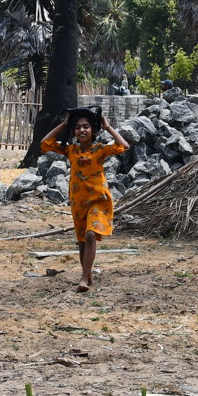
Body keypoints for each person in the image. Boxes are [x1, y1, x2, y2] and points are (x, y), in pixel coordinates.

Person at [40, 107, 129, 292]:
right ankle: (88, 279)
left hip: (99, 200)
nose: (82, 130)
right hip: (78, 202)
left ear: (93, 130)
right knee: (82, 242)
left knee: (90, 235)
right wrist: (64, 124)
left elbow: (123, 146)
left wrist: (108, 127)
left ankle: (82, 277)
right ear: (74, 131)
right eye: (78, 127)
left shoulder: (100, 150)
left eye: (86, 127)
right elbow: (45, 143)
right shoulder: (71, 150)